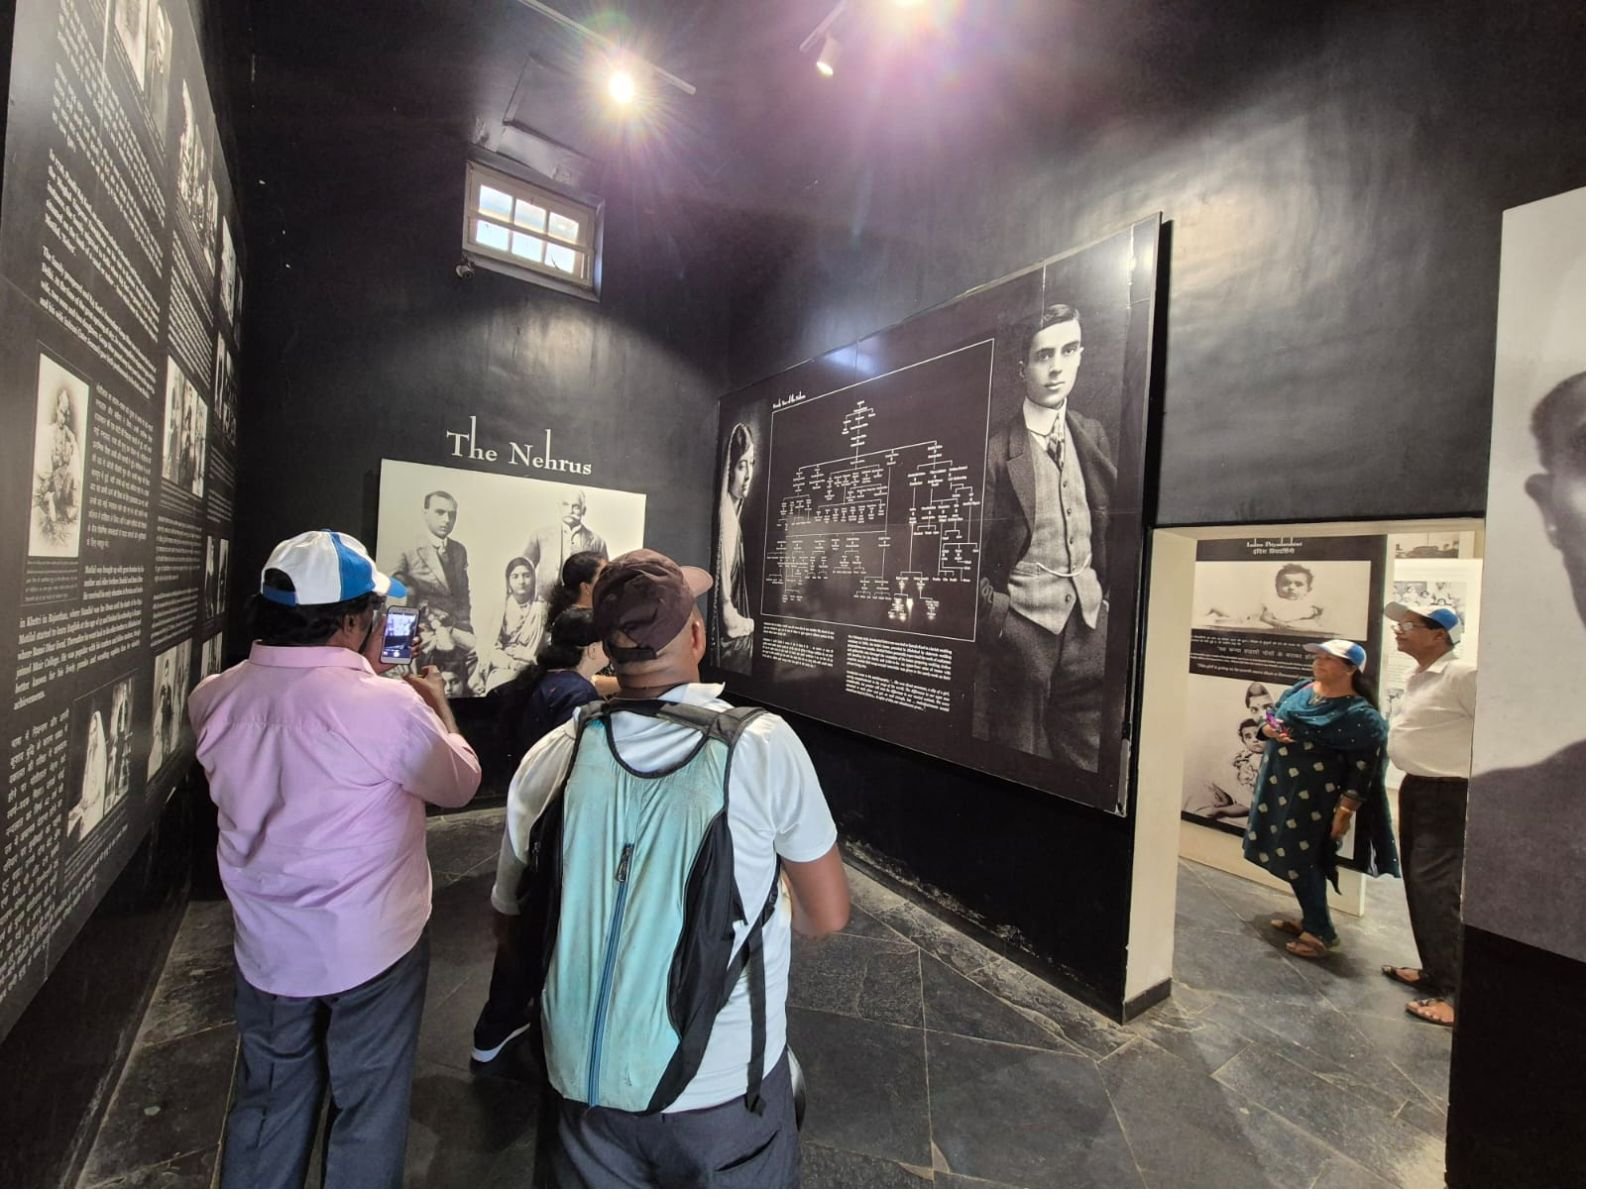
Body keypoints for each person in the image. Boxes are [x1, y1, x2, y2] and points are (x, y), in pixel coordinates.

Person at [492, 549, 849, 1186]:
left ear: (604, 644)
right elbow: (827, 916)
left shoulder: (555, 754)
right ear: (696, 635)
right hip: (722, 1095)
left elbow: (512, 922)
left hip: (582, 1090)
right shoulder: (760, 747)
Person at [188, 529, 481, 1187]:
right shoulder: (389, 706)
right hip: (373, 945)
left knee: (267, 1103)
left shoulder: (212, 697)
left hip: (265, 946)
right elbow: (458, 783)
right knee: (369, 1105)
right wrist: (436, 711)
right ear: (352, 619)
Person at [972, 303, 1114, 771]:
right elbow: (964, 558)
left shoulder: (1092, 434)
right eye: (1043, 355)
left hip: (1090, 630)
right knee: (1021, 763)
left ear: (1080, 355)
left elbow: (1110, 528)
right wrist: (1003, 624)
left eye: (1068, 350)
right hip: (1025, 634)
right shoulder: (995, 451)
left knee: (1089, 765)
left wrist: (1104, 600)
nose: (1057, 367)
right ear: (1022, 368)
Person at [471, 606, 610, 1067]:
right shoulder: (576, 695)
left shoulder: (542, 682)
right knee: (536, 933)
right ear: (594, 648)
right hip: (550, 833)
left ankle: (499, 1025)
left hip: (528, 825)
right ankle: (503, 1027)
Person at [1245, 639, 1399, 958]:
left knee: (1304, 858)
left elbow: (1364, 768)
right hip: (1279, 787)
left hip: (1315, 797)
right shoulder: (1302, 688)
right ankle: (1311, 917)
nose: (1319, 662)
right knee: (1287, 852)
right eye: (1319, 656)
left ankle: (1320, 931)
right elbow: (1272, 717)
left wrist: (1345, 810)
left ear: (1351, 669)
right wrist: (1269, 731)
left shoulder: (1361, 715)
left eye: (1330, 659)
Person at [1380, 603, 1475, 1028]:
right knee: (1419, 884)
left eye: (1408, 625)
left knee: (1435, 886)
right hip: (1417, 787)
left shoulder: (1463, 676)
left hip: (1449, 792)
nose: (1399, 631)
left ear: (1439, 635)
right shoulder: (1418, 676)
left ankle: (1457, 995)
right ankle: (1435, 972)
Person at [391, 490, 476, 689]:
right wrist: (397, 648)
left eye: (452, 514)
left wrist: (464, 628)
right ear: (425, 513)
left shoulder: (458, 550)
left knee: (478, 655)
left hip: (453, 627)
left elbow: (463, 596)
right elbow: (398, 596)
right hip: (422, 629)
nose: (446, 520)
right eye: (440, 512)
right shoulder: (407, 548)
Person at [715, 422, 756, 672]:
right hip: (730, 642)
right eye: (741, 465)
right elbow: (729, 618)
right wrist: (749, 625)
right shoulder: (726, 518)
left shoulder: (731, 512)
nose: (749, 474)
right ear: (729, 469)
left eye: (752, 463)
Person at [471, 557, 545, 694]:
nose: (521, 581)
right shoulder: (499, 609)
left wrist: (531, 662)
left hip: (533, 664)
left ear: (533, 579)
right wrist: (512, 664)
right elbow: (491, 647)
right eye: (515, 577)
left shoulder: (542, 610)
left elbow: (548, 644)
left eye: (526, 576)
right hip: (504, 665)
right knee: (502, 683)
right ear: (508, 581)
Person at [522, 489, 610, 602]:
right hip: (544, 601)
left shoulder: (597, 541)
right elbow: (524, 567)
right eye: (565, 505)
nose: (570, 510)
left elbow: (604, 577)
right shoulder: (541, 535)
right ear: (559, 507)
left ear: (584, 510)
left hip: (577, 605)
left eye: (576, 506)